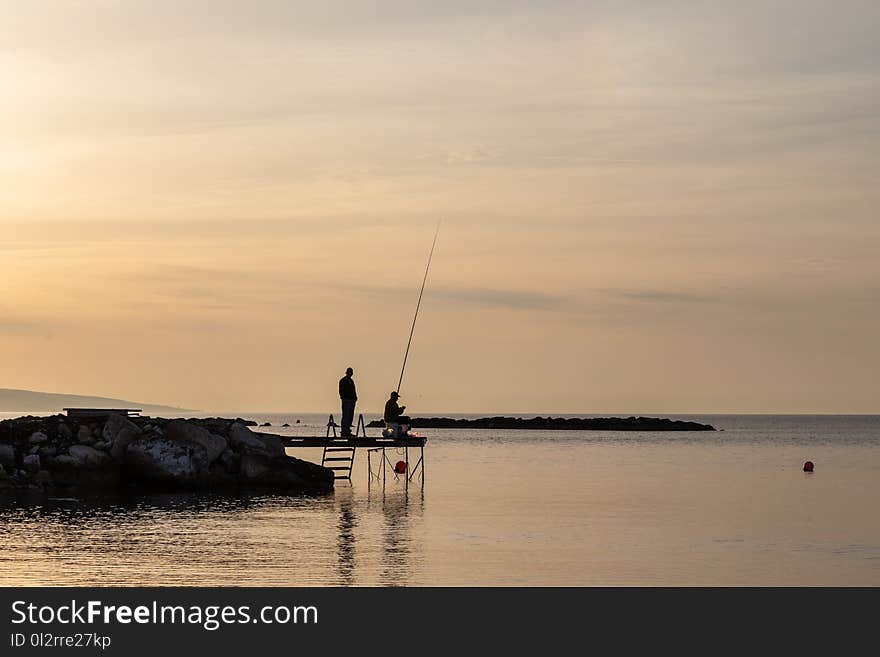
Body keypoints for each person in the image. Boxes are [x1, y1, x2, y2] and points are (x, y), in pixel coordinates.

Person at [338, 367, 357, 437]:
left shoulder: (351, 381)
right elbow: (341, 391)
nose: (351, 374)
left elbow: (354, 390)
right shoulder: (343, 380)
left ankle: (348, 430)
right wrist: (344, 398)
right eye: (350, 372)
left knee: (350, 416)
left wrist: (355, 397)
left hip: (352, 401)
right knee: (345, 415)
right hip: (346, 401)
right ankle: (344, 431)